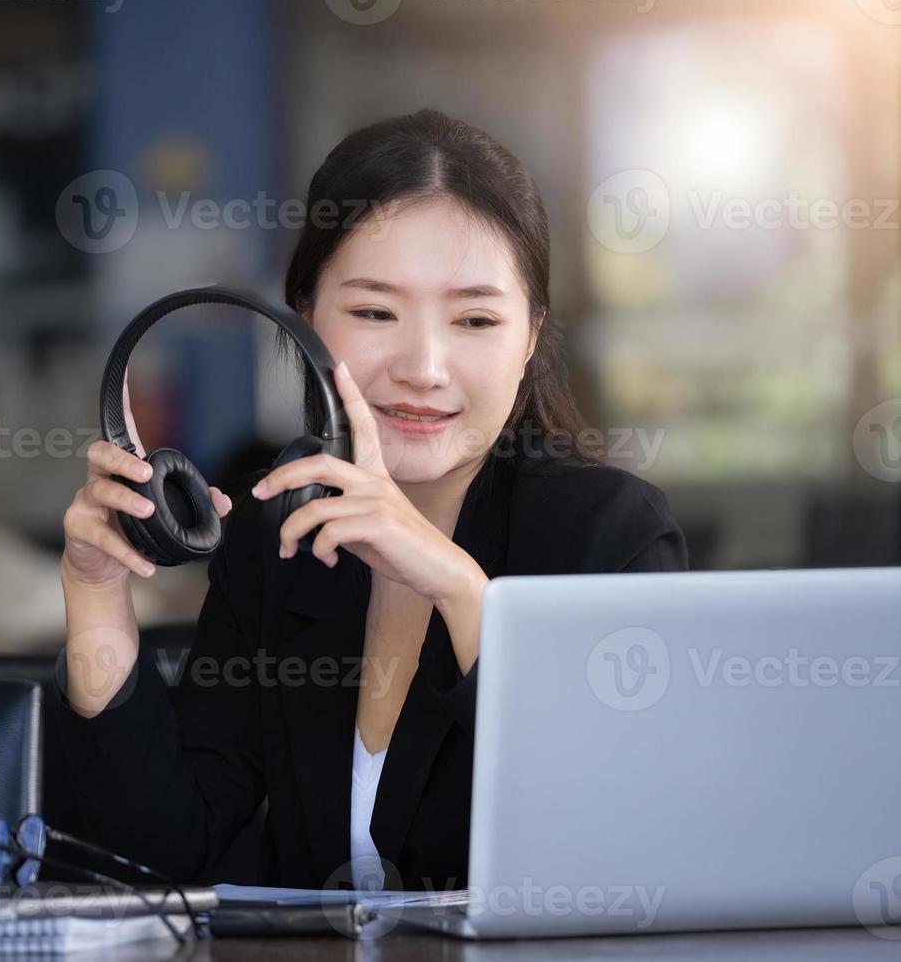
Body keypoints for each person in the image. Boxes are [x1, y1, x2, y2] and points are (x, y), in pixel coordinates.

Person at [54, 110, 689, 892]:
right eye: (374, 312)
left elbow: (623, 844)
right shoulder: (277, 535)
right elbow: (153, 859)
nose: (423, 367)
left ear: (529, 338)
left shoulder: (609, 533)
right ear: (306, 322)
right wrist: (94, 592)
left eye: (476, 319)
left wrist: (458, 589)